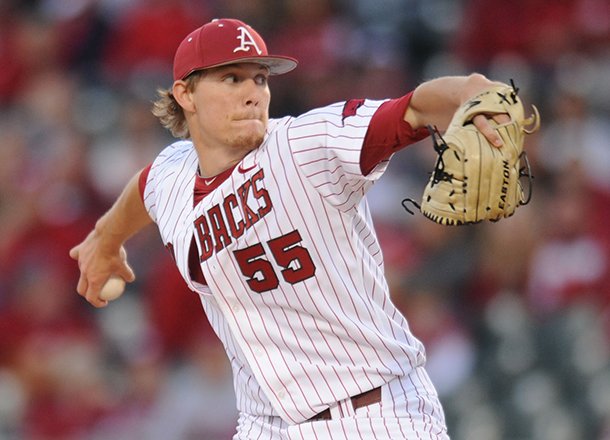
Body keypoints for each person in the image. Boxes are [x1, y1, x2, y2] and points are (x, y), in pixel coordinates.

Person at [70, 18, 510, 440]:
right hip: (265, 424)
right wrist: (104, 240)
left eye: (259, 79)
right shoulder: (172, 173)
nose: (253, 93)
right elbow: (144, 188)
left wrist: (467, 89)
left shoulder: (305, 144)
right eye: (231, 79)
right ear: (185, 94)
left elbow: (411, 109)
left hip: (373, 414)